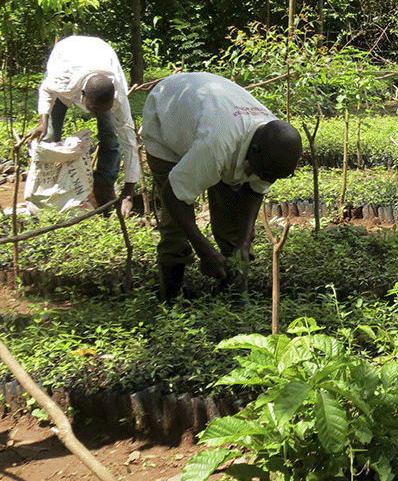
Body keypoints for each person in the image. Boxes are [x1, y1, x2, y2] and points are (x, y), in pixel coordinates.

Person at [140, 72, 302, 301]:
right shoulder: (217, 145)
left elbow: (254, 190)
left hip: (212, 122)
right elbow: (173, 194)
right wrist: (203, 249)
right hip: (167, 119)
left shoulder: (273, 145)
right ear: (253, 151)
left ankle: (233, 296)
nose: (263, 178)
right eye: (262, 173)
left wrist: (245, 241)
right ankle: (168, 300)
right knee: (175, 228)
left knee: (234, 229)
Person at [30, 35, 141, 210]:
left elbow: (128, 139)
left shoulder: (118, 94)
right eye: (95, 110)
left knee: (110, 135)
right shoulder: (62, 79)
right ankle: (49, 188)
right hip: (67, 55)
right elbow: (46, 89)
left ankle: (104, 185)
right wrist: (42, 119)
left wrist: (128, 192)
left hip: (101, 54)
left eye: (104, 109)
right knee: (50, 133)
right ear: (82, 95)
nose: (98, 114)